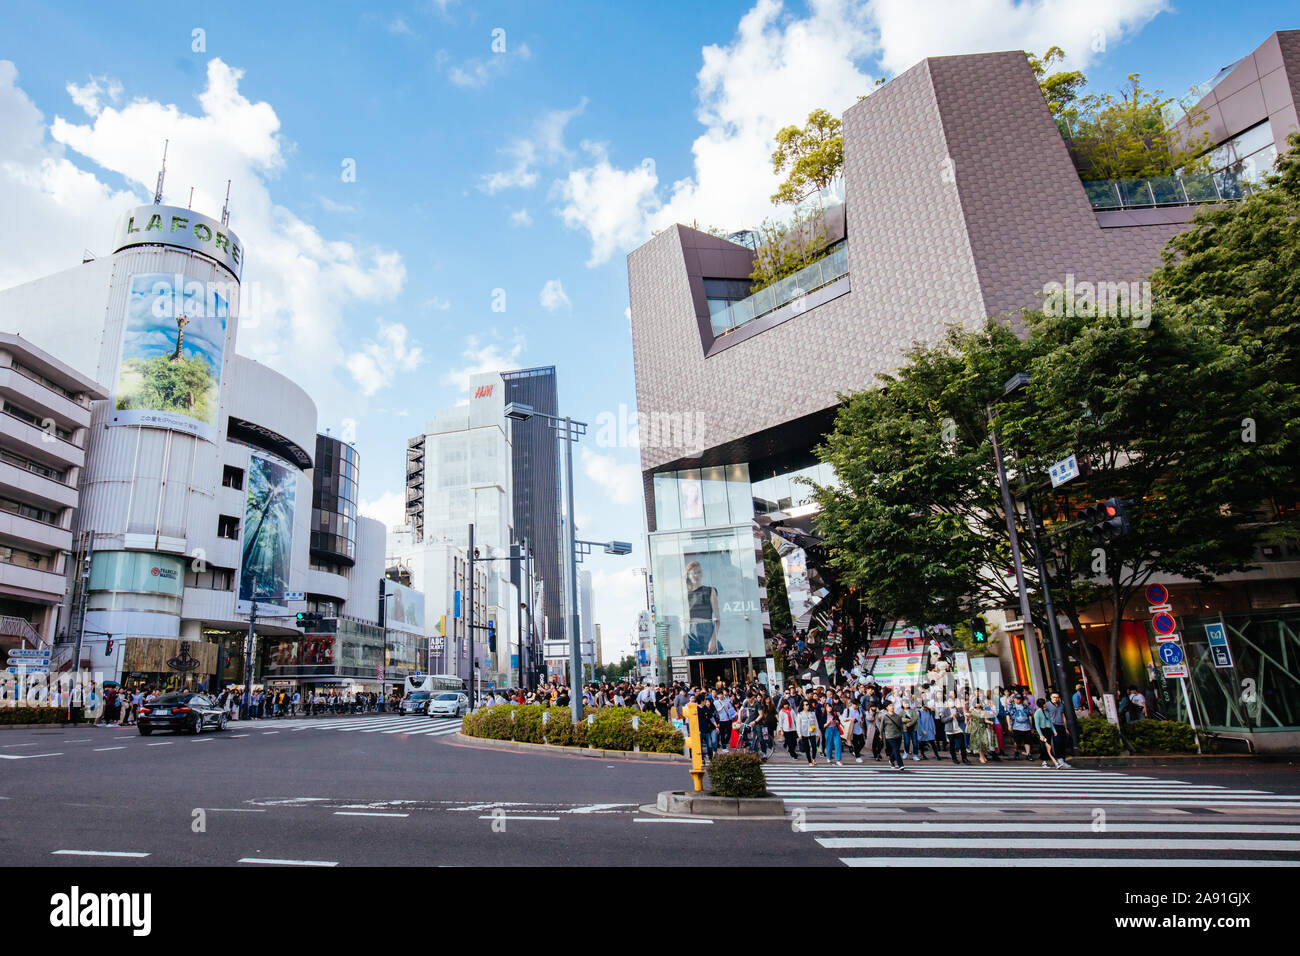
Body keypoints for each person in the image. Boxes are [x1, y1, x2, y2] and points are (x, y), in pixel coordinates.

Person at [680, 561, 722, 655]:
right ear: (688, 576)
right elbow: (684, 621)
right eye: (693, 573)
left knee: (712, 661)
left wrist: (714, 639)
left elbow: (717, 619)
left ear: (702, 573)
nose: (696, 575)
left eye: (698, 572)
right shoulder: (685, 595)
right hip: (691, 632)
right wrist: (683, 642)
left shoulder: (710, 591)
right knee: (693, 665)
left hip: (707, 630)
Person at [1034, 697, 1064, 768]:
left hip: (1048, 731)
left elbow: (1050, 722)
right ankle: (1056, 763)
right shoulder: (1037, 713)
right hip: (1042, 731)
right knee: (1049, 747)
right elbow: (1037, 725)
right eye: (1044, 703)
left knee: (1047, 747)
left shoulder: (1046, 711)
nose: (1046, 704)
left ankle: (1044, 762)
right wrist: (1040, 735)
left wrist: (1054, 730)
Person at [879, 701, 906, 770]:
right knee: (896, 749)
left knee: (895, 750)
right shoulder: (885, 717)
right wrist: (881, 734)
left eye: (892, 705)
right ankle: (900, 764)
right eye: (890, 706)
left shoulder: (897, 716)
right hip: (889, 736)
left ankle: (891, 759)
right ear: (887, 708)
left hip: (898, 735)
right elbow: (881, 726)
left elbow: (900, 726)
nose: (892, 707)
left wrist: (902, 733)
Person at [796, 700, 819, 766]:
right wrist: (799, 734)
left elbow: (816, 723)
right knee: (807, 748)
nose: (807, 706)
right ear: (802, 706)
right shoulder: (800, 714)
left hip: (812, 732)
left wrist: (817, 732)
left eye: (807, 704)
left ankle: (813, 758)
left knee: (814, 746)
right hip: (804, 732)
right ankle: (809, 761)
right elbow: (798, 725)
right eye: (805, 705)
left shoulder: (812, 713)